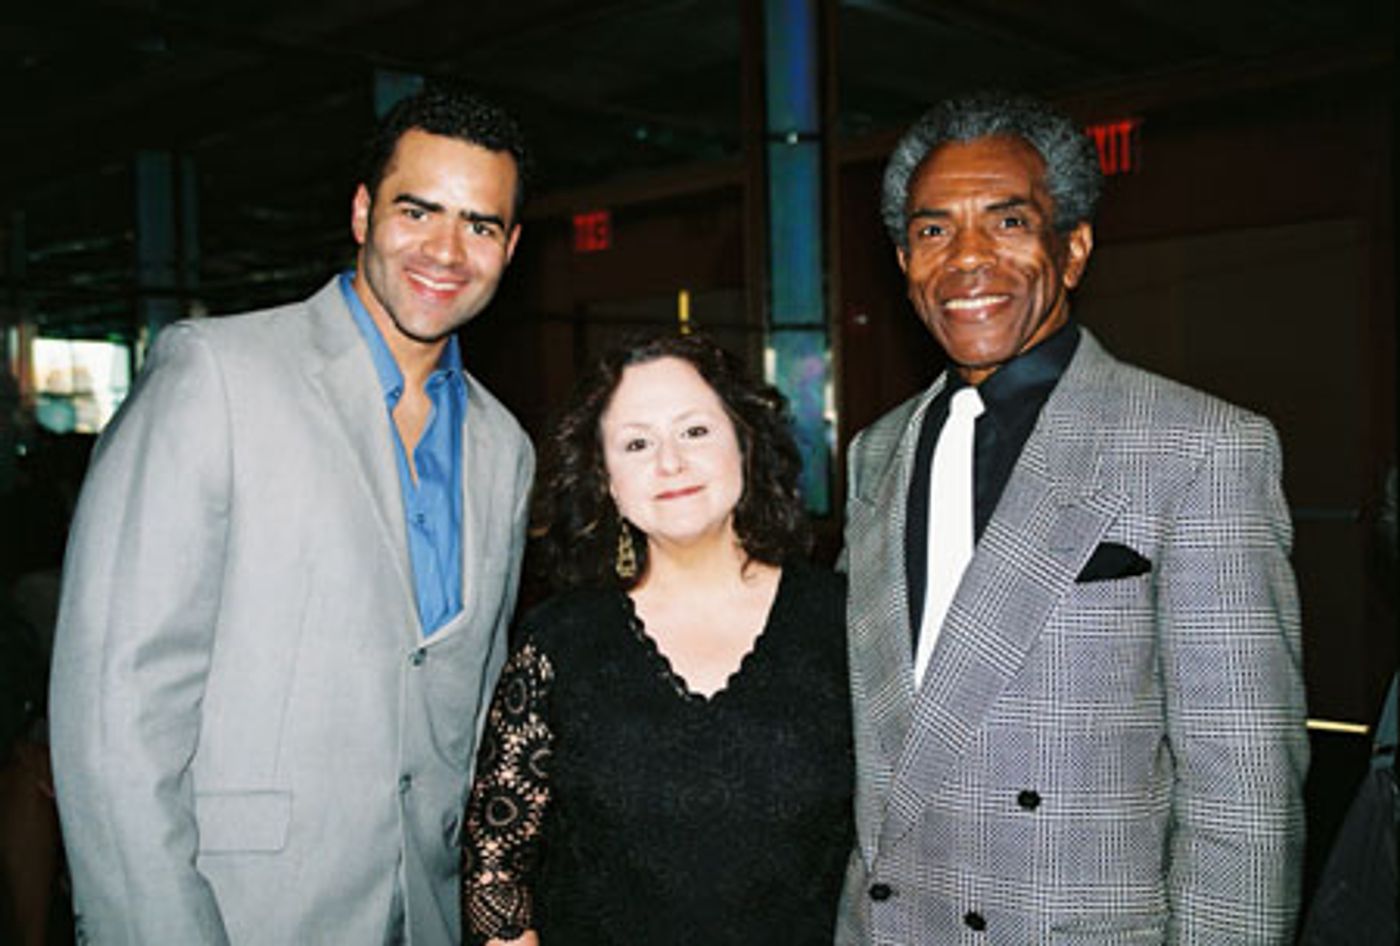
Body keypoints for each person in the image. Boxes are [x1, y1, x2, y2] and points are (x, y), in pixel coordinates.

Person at [49, 84, 535, 945]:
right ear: (362, 212)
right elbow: (114, 708)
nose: (446, 250)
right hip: (236, 915)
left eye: (480, 225)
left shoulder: (506, 449)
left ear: (511, 246)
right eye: (417, 211)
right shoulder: (217, 376)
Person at [838, 92, 1308, 943]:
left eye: (1008, 222)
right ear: (904, 261)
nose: (967, 259)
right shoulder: (878, 452)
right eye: (934, 230)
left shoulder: (1198, 447)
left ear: (1073, 249)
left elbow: (1244, 793)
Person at [461, 334, 852, 945]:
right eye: (637, 443)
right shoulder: (558, 640)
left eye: (694, 431)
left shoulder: (846, 621)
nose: (670, 463)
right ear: (606, 478)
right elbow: (496, 873)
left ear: (745, 443)